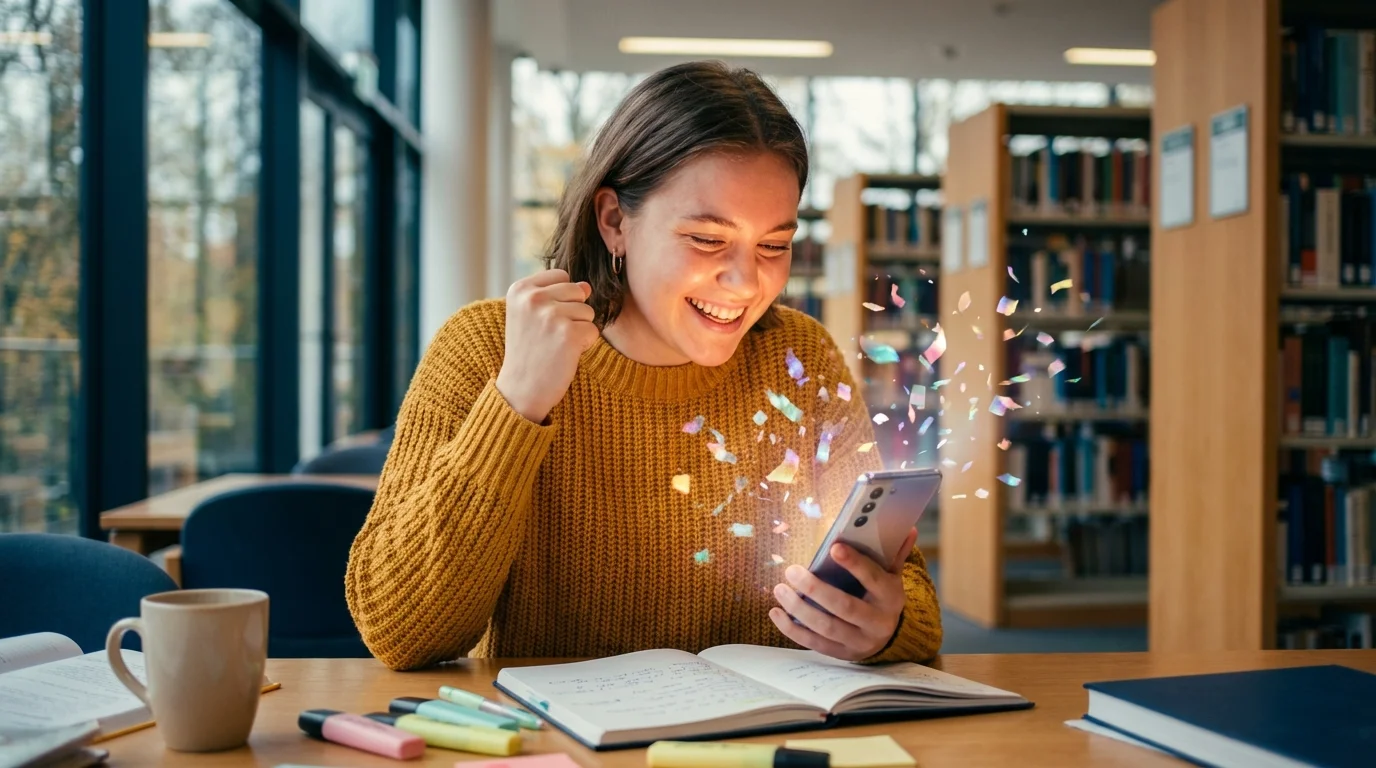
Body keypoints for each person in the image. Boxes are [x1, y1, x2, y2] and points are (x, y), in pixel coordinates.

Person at [345, 60, 942, 671]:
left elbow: (910, 598)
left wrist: (886, 625)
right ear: (615, 221)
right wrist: (517, 401)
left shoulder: (801, 358)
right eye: (708, 240)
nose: (745, 282)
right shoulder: (484, 348)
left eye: (774, 246)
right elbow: (400, 631)